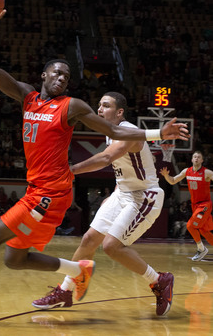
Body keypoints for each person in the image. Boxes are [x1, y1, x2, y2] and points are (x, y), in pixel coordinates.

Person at [0, 10, 189, 326]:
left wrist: (158, 133)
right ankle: (75, 272)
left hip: (52, 194)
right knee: (15, 258)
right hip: (55, 190)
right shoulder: (27, 97)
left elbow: (116, 134)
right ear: (43, 76)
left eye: (67, 75)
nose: (62, 78)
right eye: (56, 73)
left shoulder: (71, 106)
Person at [32, 92, 174, 317]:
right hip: (124, 193)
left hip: (145, 196)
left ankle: (159, 280)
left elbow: (107, 159)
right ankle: (65, 291)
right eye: (98, 105)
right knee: (89, 239)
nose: (99, 110)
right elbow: (123, 168)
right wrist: (116, 191)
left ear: (119, 112)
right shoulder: (110, 133)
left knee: (111, 246)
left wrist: (71, 171)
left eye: (105, 106)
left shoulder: (127, 132)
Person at [160, 150, 213, 261]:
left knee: (190, 226)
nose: (196, 158)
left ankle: (201, 249)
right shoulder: (186, 171)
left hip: (204, 205)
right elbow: (173, 181)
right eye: (195, 157)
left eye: (199, 157)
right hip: (195, 205)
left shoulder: (207, 172)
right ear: (192, 159)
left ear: (202, 160)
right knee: (204, 231)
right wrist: (166, 175)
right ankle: (202, 248)